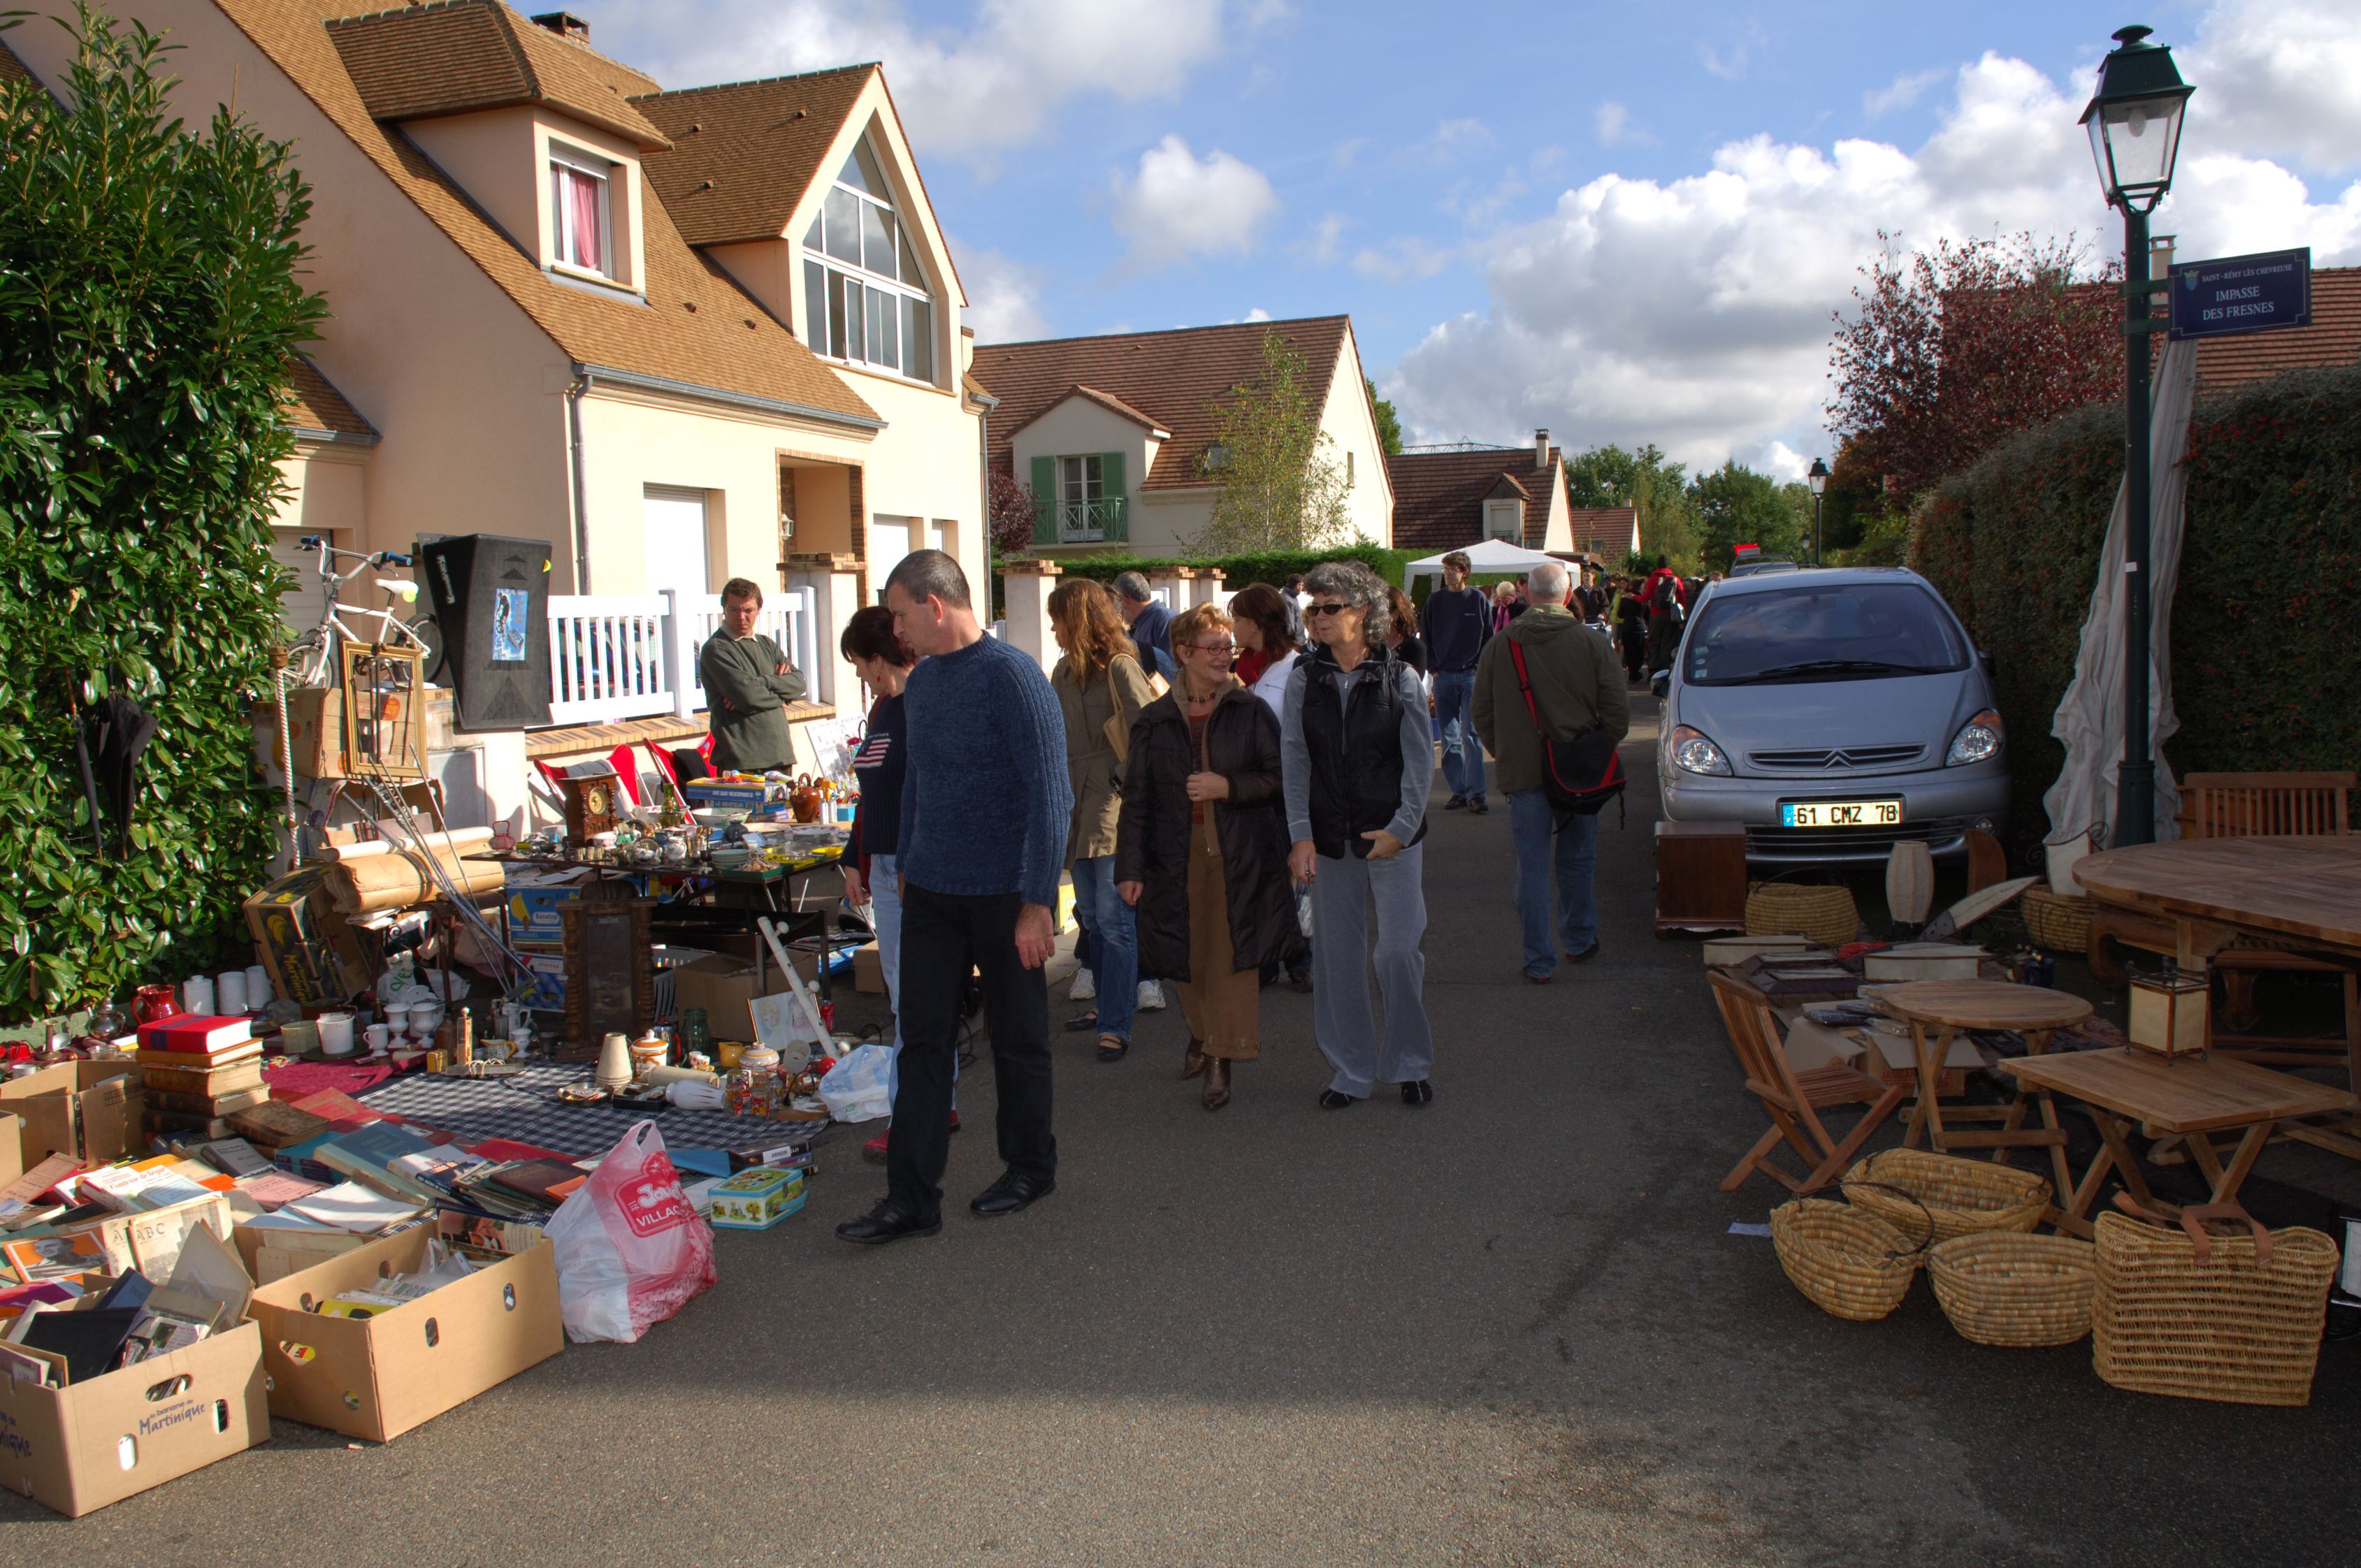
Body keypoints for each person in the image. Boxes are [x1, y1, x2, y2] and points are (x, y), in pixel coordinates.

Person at [837, 551, 1071, 1245]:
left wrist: (1037, 903)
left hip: (1004, 896)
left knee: (1021, 1040)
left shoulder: (1013, 678)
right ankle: (911, 1198)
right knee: (923, 1043)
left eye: (901, 614)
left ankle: (1030, 1167)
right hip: (932, 895)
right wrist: (908, 861)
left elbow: (1051, 797)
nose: (896, 628)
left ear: (935, 606)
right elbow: (917, 783)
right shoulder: (926, 683)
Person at [1115, 605, 1300, 1110]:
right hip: (1173, 858)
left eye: (1228, 647)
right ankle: (1202, 1032)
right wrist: (1129, 868)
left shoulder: (1249, 709)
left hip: (1241, 856)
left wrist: (1228, 786)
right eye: (1213, 648)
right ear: (1183, 653)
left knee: (1232, 960)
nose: (1224, 656)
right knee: (1187, 957)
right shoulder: (1154, 721)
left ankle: (1220, 1055)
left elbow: (1282, 781)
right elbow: (1138, 801)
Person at [1283, 560, 1437, 1109]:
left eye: (1331, 608)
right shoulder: (1305, 679)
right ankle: (1350, 1070)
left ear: (1363, 613)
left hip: (1393, 838)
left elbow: (1420, 766)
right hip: (1329, 837)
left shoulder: (1400, 679)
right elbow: (1295, 760)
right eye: (1313, 608)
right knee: (1338, 960)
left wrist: (1401, 828)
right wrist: (1300, 834)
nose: (1318, 618)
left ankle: (1410, 1063)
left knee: (1397, 953)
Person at [1473, 561, 1630, 984]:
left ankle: (1538, 959)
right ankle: (1579, 939)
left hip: (1524, 772)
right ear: (1566, 597)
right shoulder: (1591, 643)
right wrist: (1596, 750)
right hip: (1580, 771)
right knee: (1578, 857)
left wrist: (1504, 750)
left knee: (1532, 866)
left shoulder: (1501, 645)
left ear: (1527, 596)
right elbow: (1618, 714)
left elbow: (1481, 712)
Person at [837, 607, 953, 1163]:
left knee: (915, 1000)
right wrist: (852, 857)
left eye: (860, 665)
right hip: (884, 867)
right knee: (913, 999)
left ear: (879, 660)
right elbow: (875, 794)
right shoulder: (885, 707)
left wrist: (907, 864)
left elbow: (930, 794)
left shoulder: (922, 706)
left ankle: (913, 1115)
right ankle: (936, 1103)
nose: (861, 676)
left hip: (914, 871)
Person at [1046, 578, 1158, 1064]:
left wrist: (1119, 780)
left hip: (1111, 805)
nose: (1052, 628)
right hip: (1076, 801)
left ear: (1078, 618)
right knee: (1090, 918)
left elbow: (1150, 733)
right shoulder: (1063, 671)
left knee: (1114, 921)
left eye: (1057, 618)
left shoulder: (1120, 665)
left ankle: (1115, 1022)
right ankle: (1112, 1003)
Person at [1229, 583, 1313, 993]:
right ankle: (1270, 961)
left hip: (1287, 792)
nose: (1233, 626)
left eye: (1238, 619)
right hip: (1257, 789)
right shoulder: (1250, 667)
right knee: (1263, 877)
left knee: (1288, 878)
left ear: (1257, 624)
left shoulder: (1297, 667)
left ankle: (1299, 959)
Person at [698, 578, 807, 773]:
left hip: (779, 755)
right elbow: (749, 697)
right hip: (742, 762)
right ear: (724, 608)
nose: (741, 616)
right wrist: (782, 694)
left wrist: (762, 682)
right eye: (734, 610)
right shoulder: (717, 649)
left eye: (747, 610)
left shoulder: (767, 644)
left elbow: (799, 684)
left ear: (758, 609)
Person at [1418, 550, 1492, 813]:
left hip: (1470, 675)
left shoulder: (1478, 600)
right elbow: (1424, 634)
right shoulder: (1435, 601)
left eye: (1453, 569)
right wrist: (1433, 668)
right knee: (1449, 737)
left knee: (1471, 734)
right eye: (1446, 568)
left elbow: (1489, 637)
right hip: (1444, 676)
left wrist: (1477, 667)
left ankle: (1476, 793)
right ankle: (1459, 790)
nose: (1448, 573)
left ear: (1465, 572)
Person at [1111, 571, 1177, 680]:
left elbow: (1171, 670)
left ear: (1124, 600)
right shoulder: (1148, 621)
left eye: (1117, 602)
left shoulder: (1164, 619)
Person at [1642, 554, 1685, 674]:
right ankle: (1665, 669)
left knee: (1654, 642)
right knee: (1668, 642)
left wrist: (1634, 597)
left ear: (1657, 566)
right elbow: (1682, 598)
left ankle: (1653, 669)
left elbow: (1645, 598)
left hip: (1655, 615)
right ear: (1669, 566)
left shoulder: (1652, 579)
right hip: (1670, 615)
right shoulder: (1675, 580)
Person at [1384, 586, 1427, 674]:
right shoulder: (1371, 644)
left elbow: (1413, 685)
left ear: (1395, 615)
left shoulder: (1416, 648)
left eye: (1381, 611)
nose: (1374, 616)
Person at [1613, 577, 1649, 684]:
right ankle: (1636, 672)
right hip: (1639, 628)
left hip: (1627, 628)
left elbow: (1620, 614)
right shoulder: (1643, 599)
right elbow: (1647, 614)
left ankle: (1632, 673)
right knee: (1639, 651)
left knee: (1629, 651)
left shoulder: (1625, 599)